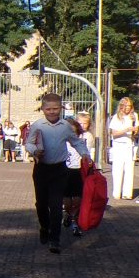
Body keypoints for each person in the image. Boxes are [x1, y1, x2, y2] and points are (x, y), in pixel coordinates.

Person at [25, 93, 90, 253]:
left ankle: (55, 239)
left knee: (55, 206)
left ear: (60, 108)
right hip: (41, 169)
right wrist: (35, 151)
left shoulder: (65, 126)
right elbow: (28, 143)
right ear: (43, 109)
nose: (52, 112)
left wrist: (84, 154)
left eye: (55, 109)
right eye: (48, 109)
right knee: (41, 204)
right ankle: (44, 227)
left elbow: (76, 142)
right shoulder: (38, 125)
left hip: (59, 170)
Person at [63, 113, 95, 238]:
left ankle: (74, 221)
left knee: (77, 199)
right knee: (67, 201)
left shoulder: (84, 137)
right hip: (65, 171)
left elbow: (87, 151)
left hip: (78, 171)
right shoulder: (62, 140)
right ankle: (67, 213)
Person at [108, 97, 139, 200]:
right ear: (121, 106)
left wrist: (135, 130)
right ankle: (116, 192)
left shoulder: (134, 116)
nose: (127, 108)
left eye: (129, 106)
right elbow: (114, 134)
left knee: (129, 169)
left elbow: (136, 130)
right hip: (118, 145)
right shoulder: (116, 117)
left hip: (129, 144)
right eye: (125, 106)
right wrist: (126, 130)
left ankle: (127, 193)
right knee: (118, 169)